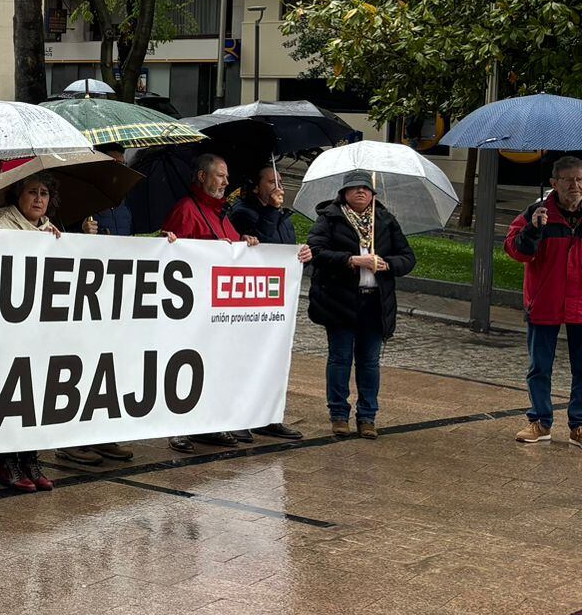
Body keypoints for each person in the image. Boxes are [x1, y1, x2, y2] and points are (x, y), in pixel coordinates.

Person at [307, 170, 414, 438]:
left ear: (373, 194)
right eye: (354, 188)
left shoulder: (385, 221)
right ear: (343, 193)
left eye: (365, 188)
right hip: (340, 302)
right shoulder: (330, 218)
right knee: (340, 359)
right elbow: (316, 252)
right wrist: (352, 260)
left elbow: (407, 257)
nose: (360, 192)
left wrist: (387, 264)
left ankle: (367, 416)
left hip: (374, 303)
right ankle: (339, 414)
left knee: (369, 362)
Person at [161, 154, 256, 454]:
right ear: (202, 177)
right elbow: (171, 257)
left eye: (227, 177)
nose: (227, 182)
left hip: (217, 310)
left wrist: (245, 244)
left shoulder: (221, 214)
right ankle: (177, 427)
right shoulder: (186, 210)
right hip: (190, 310)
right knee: (184, 367)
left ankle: (209, 423)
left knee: (214, 366)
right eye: (220, 176)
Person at [226, 163, 311, 442]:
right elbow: (261, 244)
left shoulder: (282, 215)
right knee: (245, 359)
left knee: (272, 358)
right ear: (256, 186)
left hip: (276, 300)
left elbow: (284, 251)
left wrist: (301, 256)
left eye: (280, 181)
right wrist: (271, 211)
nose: (278, 186)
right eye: (271, 181)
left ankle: (267, 415)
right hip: (250, 299)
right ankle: (240, 417)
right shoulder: (244, 212)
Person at [0, 176, 61, 493]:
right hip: (9, 324)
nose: (38, 198)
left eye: (44, 193)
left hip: (39, 329)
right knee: (10, 394)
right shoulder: (1, 222)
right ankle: (8, 462)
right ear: (19, 195)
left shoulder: (51, 229)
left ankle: (30, 458)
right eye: (32, 192)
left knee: (35, 396)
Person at [510, 155, 582, 444]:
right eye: (568, 180)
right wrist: (533, 230)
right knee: (539, 366)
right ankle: (540, 421)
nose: (575, 185)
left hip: (580, 303)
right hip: (544, 301)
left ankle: (578, 425)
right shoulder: (537, 212)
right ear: (554, 183)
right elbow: (516, 251)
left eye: (580, 179)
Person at [81, 144, 134, 237]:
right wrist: (83, 232)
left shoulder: (125, 199)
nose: (122, 169)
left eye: (123, 164)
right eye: (116, 163)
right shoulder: (84, 198)